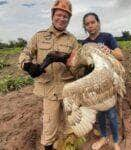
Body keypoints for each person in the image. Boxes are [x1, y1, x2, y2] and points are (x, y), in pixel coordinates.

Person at [19, 0, 79, 150]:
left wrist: (70, 62)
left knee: (70, 124)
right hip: (49, 91)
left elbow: (78, 64)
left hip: (68, 90)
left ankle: (69, 146)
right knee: (49, 125)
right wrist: (28, 65)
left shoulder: (72, 40)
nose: (62, 19)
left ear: (69, 19)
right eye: (59, 15)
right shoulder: (39, 36)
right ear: (52, 16)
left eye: (66, 16)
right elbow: (25, 53)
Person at [82, 12, 124, 150]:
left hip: (108, 84)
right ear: (85, 27)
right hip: (93, 85)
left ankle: (116, 140)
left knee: (111, 114)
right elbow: (83, 64)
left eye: (92, 22)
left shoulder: (107, 37)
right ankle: (104, 137)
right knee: (99, 113)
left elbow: (120, 55)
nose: (90, 26)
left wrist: (109, 51)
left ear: (98, 23)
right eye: (87, 24)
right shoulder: (85, 43)